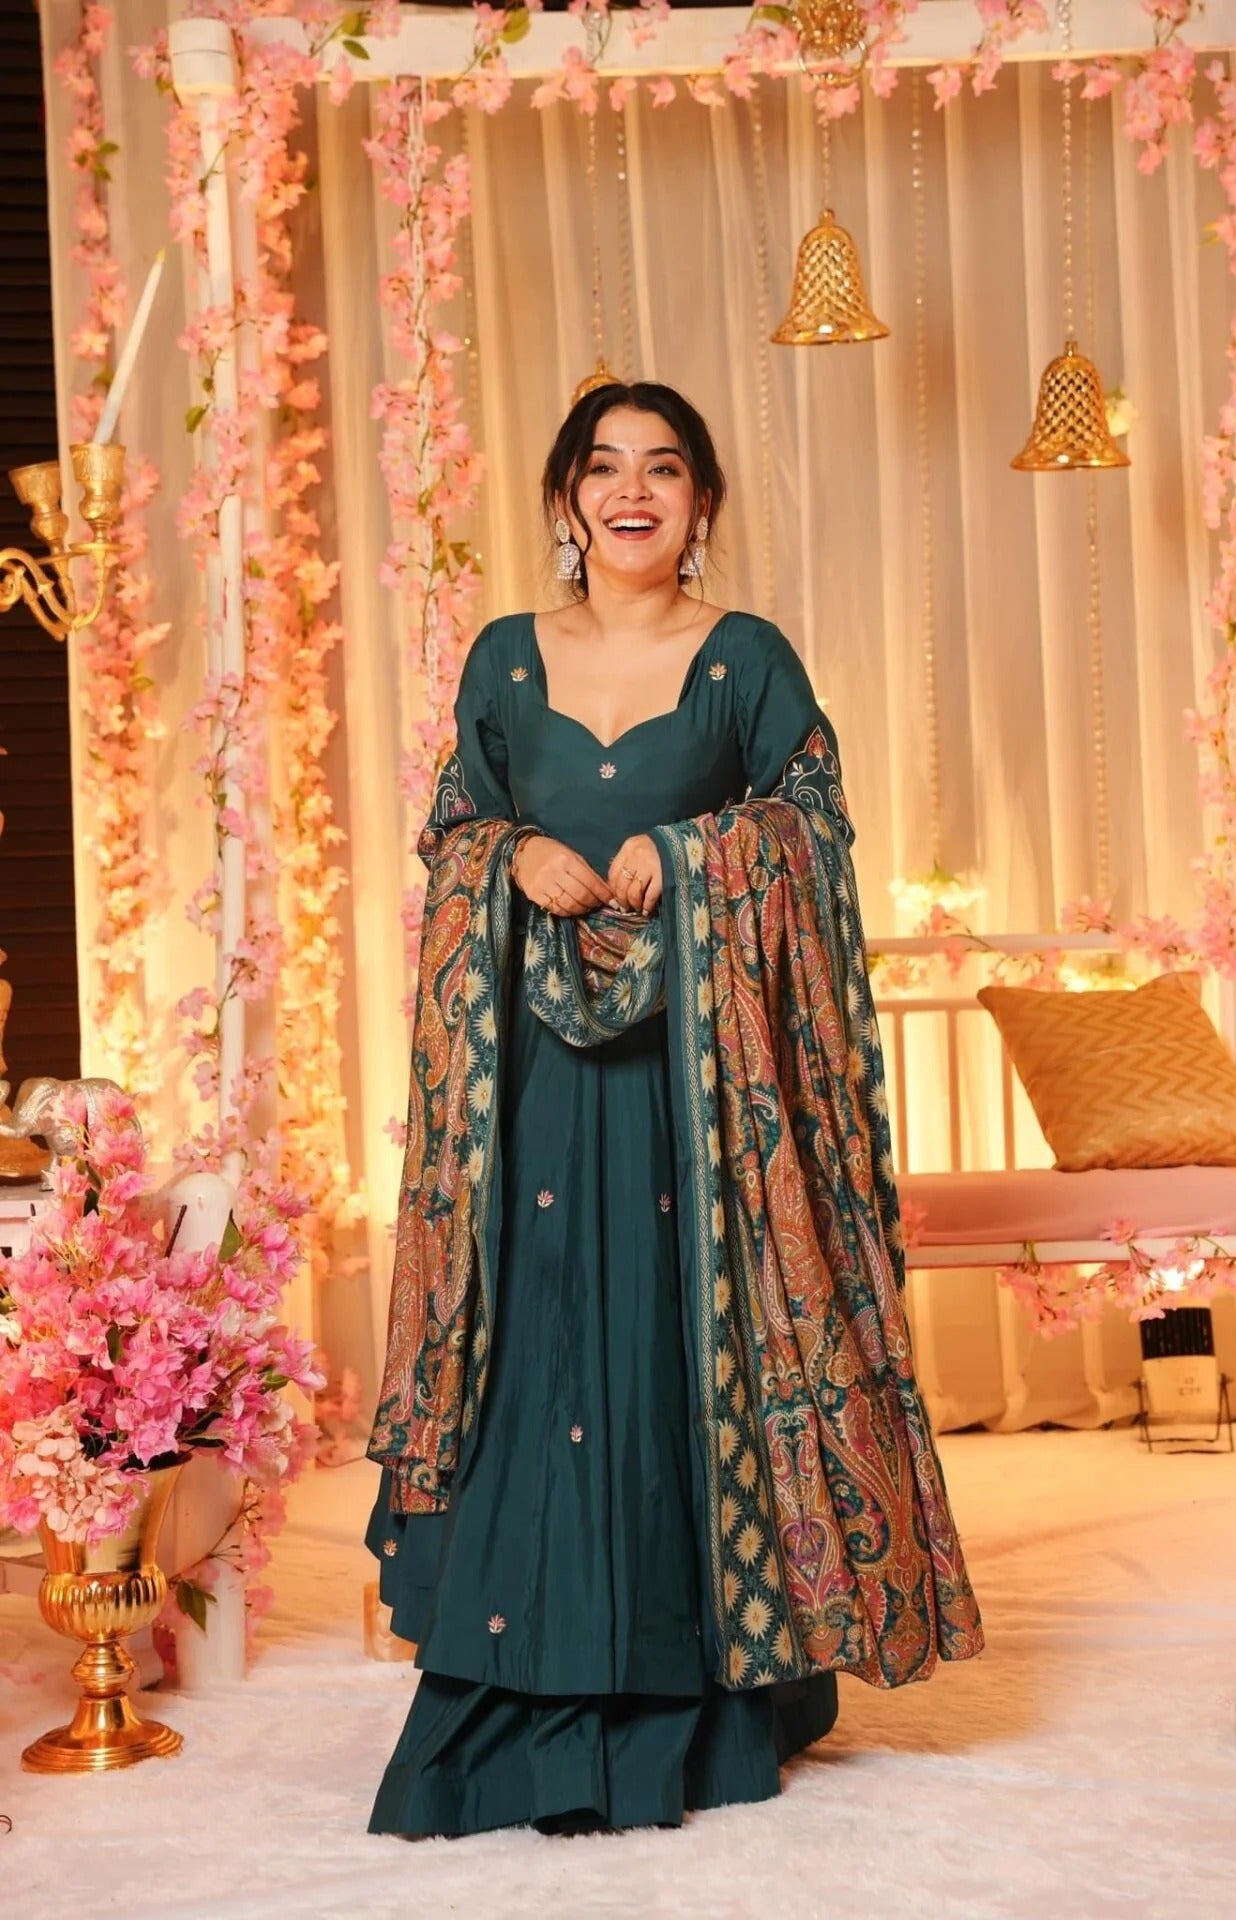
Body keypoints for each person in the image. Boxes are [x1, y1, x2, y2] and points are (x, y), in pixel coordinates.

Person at [365, 381, 982, 1838]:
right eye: (603, 467)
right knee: (537, 1347)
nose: (631, 491)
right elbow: (455, 831)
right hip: (532, 1083)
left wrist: (693, 852)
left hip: (700, 1102)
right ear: (565, 499)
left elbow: (814, 828)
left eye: (662, 468)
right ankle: (515, 1687)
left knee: (668, 1355)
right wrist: (509, 855)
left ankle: (687, 1697)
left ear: (701, 501)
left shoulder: (743, 659)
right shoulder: (506, 660)